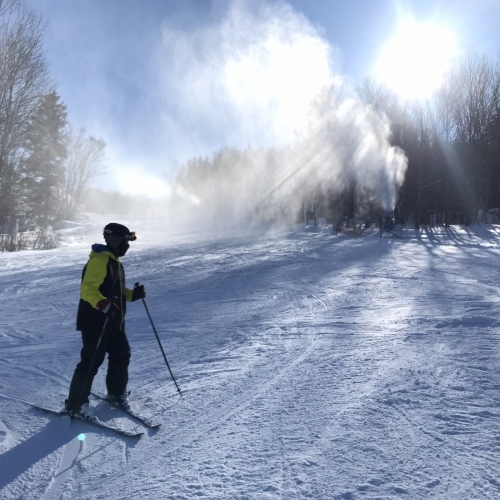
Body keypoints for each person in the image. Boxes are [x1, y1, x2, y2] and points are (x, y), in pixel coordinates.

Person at [65, 222, 146, 419]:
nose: (127, 245)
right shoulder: (100, 260)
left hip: (114, 322)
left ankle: (116, 393)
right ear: (115, 239)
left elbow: (114, 292)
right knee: (91, 361)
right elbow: (88, 290)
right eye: (126, 241)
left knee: (121, 354)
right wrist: (102, 305)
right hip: (96, 322)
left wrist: (132, 294)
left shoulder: (114, 261)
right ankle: (76, 406)